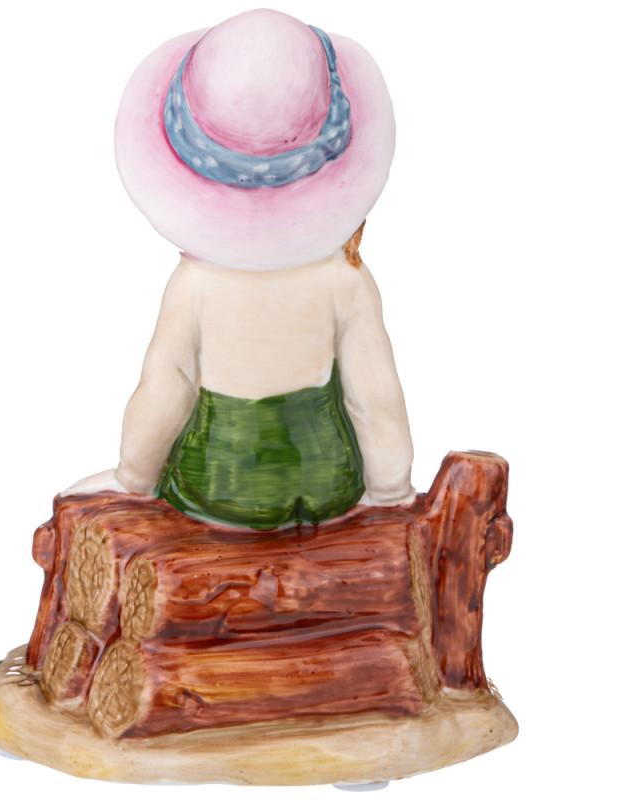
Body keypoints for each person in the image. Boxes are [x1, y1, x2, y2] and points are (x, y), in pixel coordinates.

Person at [64, 9, 414, 527]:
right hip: (326, 487)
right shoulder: (345, 280)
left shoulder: (194, 285)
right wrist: (391, 492)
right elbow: (373, 394)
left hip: (215, 489)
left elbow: (167, 387)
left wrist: (133, 477)